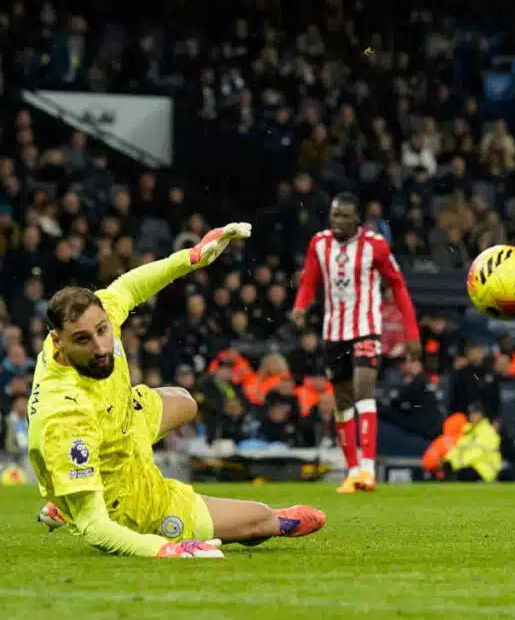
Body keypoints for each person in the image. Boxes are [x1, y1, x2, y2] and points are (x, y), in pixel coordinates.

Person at [31, 223, 325, 558]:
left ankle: (67, 496)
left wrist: (190, 258)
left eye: (103, 331)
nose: (100, 346)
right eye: (85, 339)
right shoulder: (65, 414)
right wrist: (166, 549)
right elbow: (97, 528)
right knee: (260, 519)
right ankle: (76, 498)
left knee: (184, 402)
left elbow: (128, 286)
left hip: (120, 425)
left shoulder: (93, 318)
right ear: (59, 341)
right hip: (128, 501)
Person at [291, 193, 422, 493]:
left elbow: (398, 286)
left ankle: (368, 469)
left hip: (365, 329)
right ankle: (352, 471)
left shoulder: (375, 246)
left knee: (364, 390)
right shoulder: (318, 243)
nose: (337, 222)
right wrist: (301, 304)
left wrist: (411, 333)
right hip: (333, 333)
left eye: (344, 217)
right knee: (342, 402)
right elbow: (310, 279)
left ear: (358, 221)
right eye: (334, 215)